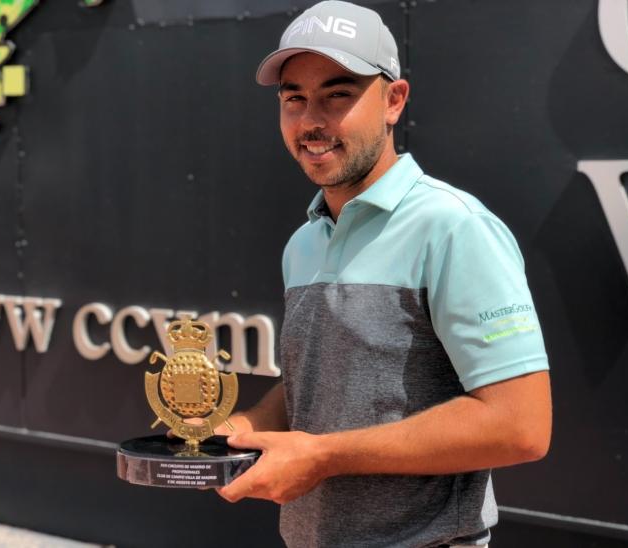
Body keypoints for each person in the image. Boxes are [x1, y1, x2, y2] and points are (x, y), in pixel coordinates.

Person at [216, 2, 552, 546]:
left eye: (338, 94)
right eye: (293, 98)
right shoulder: (305, 241)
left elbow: (521, 427)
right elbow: (323, 383)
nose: (311, 121)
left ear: (394, 100)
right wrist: (250, 426)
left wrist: (323, 457)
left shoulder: (453, 227)